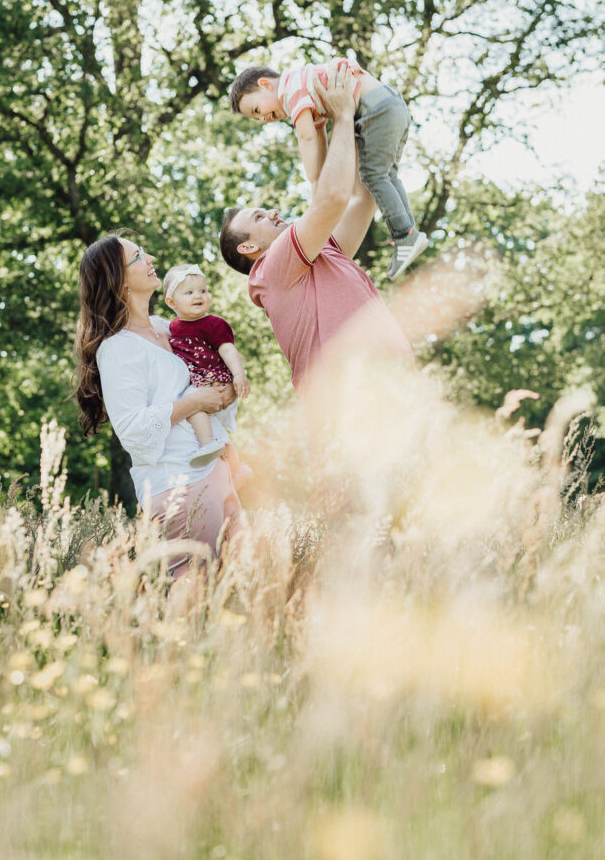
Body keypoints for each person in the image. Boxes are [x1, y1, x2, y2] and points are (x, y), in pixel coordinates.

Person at [220, 62, 414, 395]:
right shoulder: (271, 269)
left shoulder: (324, 254)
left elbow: (360, 198)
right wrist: (341, 115)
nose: (272, 212)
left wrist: (352, 122)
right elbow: (333, 197)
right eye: (258, 218)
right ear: (249, 248)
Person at [74, 233, 241, 579]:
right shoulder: (118, 348)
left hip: (216, 471)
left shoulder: (170, 328)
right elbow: (133, 429)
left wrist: (223, 392)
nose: (150, 258)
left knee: (238, 581)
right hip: (178, 482)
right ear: (119, 282)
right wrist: (194, 401)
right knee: (192, 588)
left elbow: (205, 378)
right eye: (137, 257)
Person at [229, 57, 428, 280]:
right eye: (257, 118)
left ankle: (404, 235)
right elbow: (319, 134)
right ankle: (409, 233)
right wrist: (322, 178)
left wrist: (315, 181)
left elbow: (306, 137)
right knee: (386, 175)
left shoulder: (291, 92)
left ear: (265, 84)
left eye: (256, 109)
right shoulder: (306, 87)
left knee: (373, 176)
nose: (263, 118)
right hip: (389, 103)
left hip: (375, 110)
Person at [163, 262, 252, 485]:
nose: (198, 296)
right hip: (199, 381)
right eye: (189, 292)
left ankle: (208, 444)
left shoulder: (214, 324)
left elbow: (228, 350)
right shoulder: (172, 327)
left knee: (191, 403)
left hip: (215, 380)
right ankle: (236, 467)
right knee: (203, 414)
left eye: (203, 290)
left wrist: (238, 375)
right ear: (171, 302)